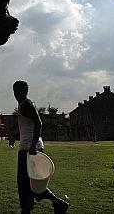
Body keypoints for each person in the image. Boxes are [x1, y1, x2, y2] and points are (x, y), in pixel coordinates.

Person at [13, 80, 69, 214]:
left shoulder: (26, 104)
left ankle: (26, 209)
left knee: (24, 182)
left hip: (29, 148)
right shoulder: (24, 104)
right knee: (32, 182)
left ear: (25, 91)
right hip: (29, 146)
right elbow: (29, 125)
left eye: (19, 91)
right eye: (15, 91)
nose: (16, 94)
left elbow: (39, 123)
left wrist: (32, 146)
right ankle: (58, 204)